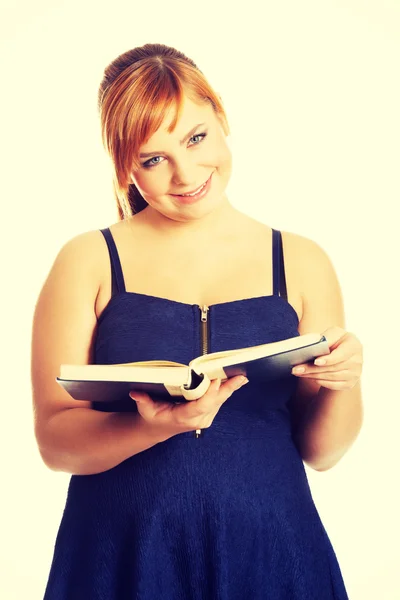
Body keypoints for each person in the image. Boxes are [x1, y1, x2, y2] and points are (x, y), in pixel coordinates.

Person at [31, 43, 364, 600]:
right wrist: (154, 427)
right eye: (153, 158)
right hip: (122, 554)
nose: (186, 174)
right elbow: (54, 440)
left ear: (222, 119)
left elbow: (323, 451)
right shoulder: (87, 260)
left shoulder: (301, 260)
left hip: (273, 552)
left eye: (196, 137)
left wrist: (344, 382)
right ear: (124, 167)